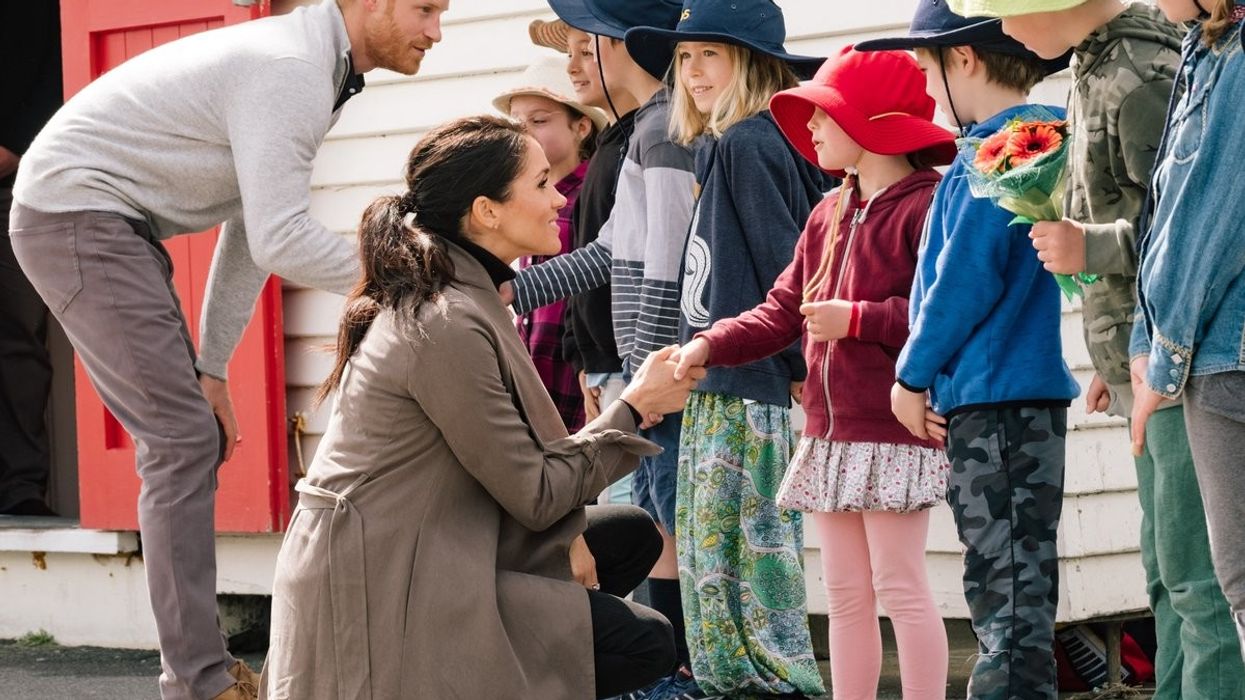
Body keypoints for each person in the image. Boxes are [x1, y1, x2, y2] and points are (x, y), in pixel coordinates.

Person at [7, 1, 447, 698]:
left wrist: (213, 368)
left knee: (193, 433)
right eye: (425, 9)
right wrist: (413, 275)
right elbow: (280, 238)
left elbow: (252, 231)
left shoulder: (314, 71)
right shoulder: (291, 68)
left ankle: (198, 674)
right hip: (75, 213)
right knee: (179, 441)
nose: (437, 31)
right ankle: (199, 682)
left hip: (108, 221)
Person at [261, 115, 702, 700]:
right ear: (486, 212)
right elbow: (537, 492)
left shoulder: (468, 296)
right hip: (389, 577)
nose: (556, 201)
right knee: (646, 640)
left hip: (444, 538)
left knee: (627, 536)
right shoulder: (445, 321)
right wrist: (634, 406)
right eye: (541, 185)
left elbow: (525, 468)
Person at [970, 0, 1245, 695]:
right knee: (1163, 567)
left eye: (1006, 9)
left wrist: (1089, 248)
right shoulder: (1107, 66)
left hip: (1178, 367)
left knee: (1196, 578)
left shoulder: (1138, 73)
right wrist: (1113, 354)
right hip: (1144, 357)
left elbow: (1182, 228)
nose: (1001, 28)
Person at [675, 45, 959, 700]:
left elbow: (939, 311)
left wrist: (857, 318)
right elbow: (780, 312)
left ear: (869, 125)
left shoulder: (926, 207)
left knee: (900, 588)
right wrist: (707, 345)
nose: (810, 132)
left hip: (892, 431)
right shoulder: (827, 212)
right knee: (843, 596)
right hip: (827, 436)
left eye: (824, 119)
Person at [625, 1, 828, 695]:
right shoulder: (726, 142)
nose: (692, 71)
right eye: (684, 58)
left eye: (709, 53)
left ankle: (764, 679)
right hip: (722, 376)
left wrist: (800, 365)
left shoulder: (750, 142)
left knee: (741, 552)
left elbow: (786, 263)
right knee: (715, 550)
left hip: (750, 381)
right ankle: (737, 676)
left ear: (749, 61)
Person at [502, 2, 702, 695]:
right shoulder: (641, 130)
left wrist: (644, 374)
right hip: (639, 376)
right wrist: (504, 289)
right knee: (652, 516)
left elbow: (669, 265)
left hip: (660, 370)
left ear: (616, 45)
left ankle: (675, 671)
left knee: (672, 521)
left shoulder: (667, 133)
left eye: (584, 44)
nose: (574, 60)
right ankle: (667, 669)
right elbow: (609, 254)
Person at [879, 4, 1078, 697]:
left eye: (926, 70)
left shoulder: (1011, 143)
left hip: (998, 399)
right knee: (1009, 577)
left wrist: (910, 374)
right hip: (1003, 397)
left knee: (1007, 586)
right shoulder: (1019, 139)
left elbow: (961, 280)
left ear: (962, 59)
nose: (926, 90)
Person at [1130, 0, 1245, 663]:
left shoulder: (1231, 59)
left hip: (1227, 354)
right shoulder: (1205, 50)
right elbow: (1161, 217)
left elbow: (1203, 220)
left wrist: (1162, 360)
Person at [528, 17, 641, 506]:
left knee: (626, 513)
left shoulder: (636, 146)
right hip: (590, 367)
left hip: (623, 366)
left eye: (584, 50)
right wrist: (582, 355)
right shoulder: (612, 149)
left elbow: (615, 258)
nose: (573, 65)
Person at [494, 55, 609, 430]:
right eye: (517, 123)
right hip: (536, 377)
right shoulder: (523, 199)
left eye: (539, 121)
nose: (524, 132)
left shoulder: (590, 196)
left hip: (578, 378)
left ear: (582, 126)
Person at [0, 2, 61, 517]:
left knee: (16, 335)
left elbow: (59, 61)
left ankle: (21, 488)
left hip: (16, 180)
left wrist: (15, 145)